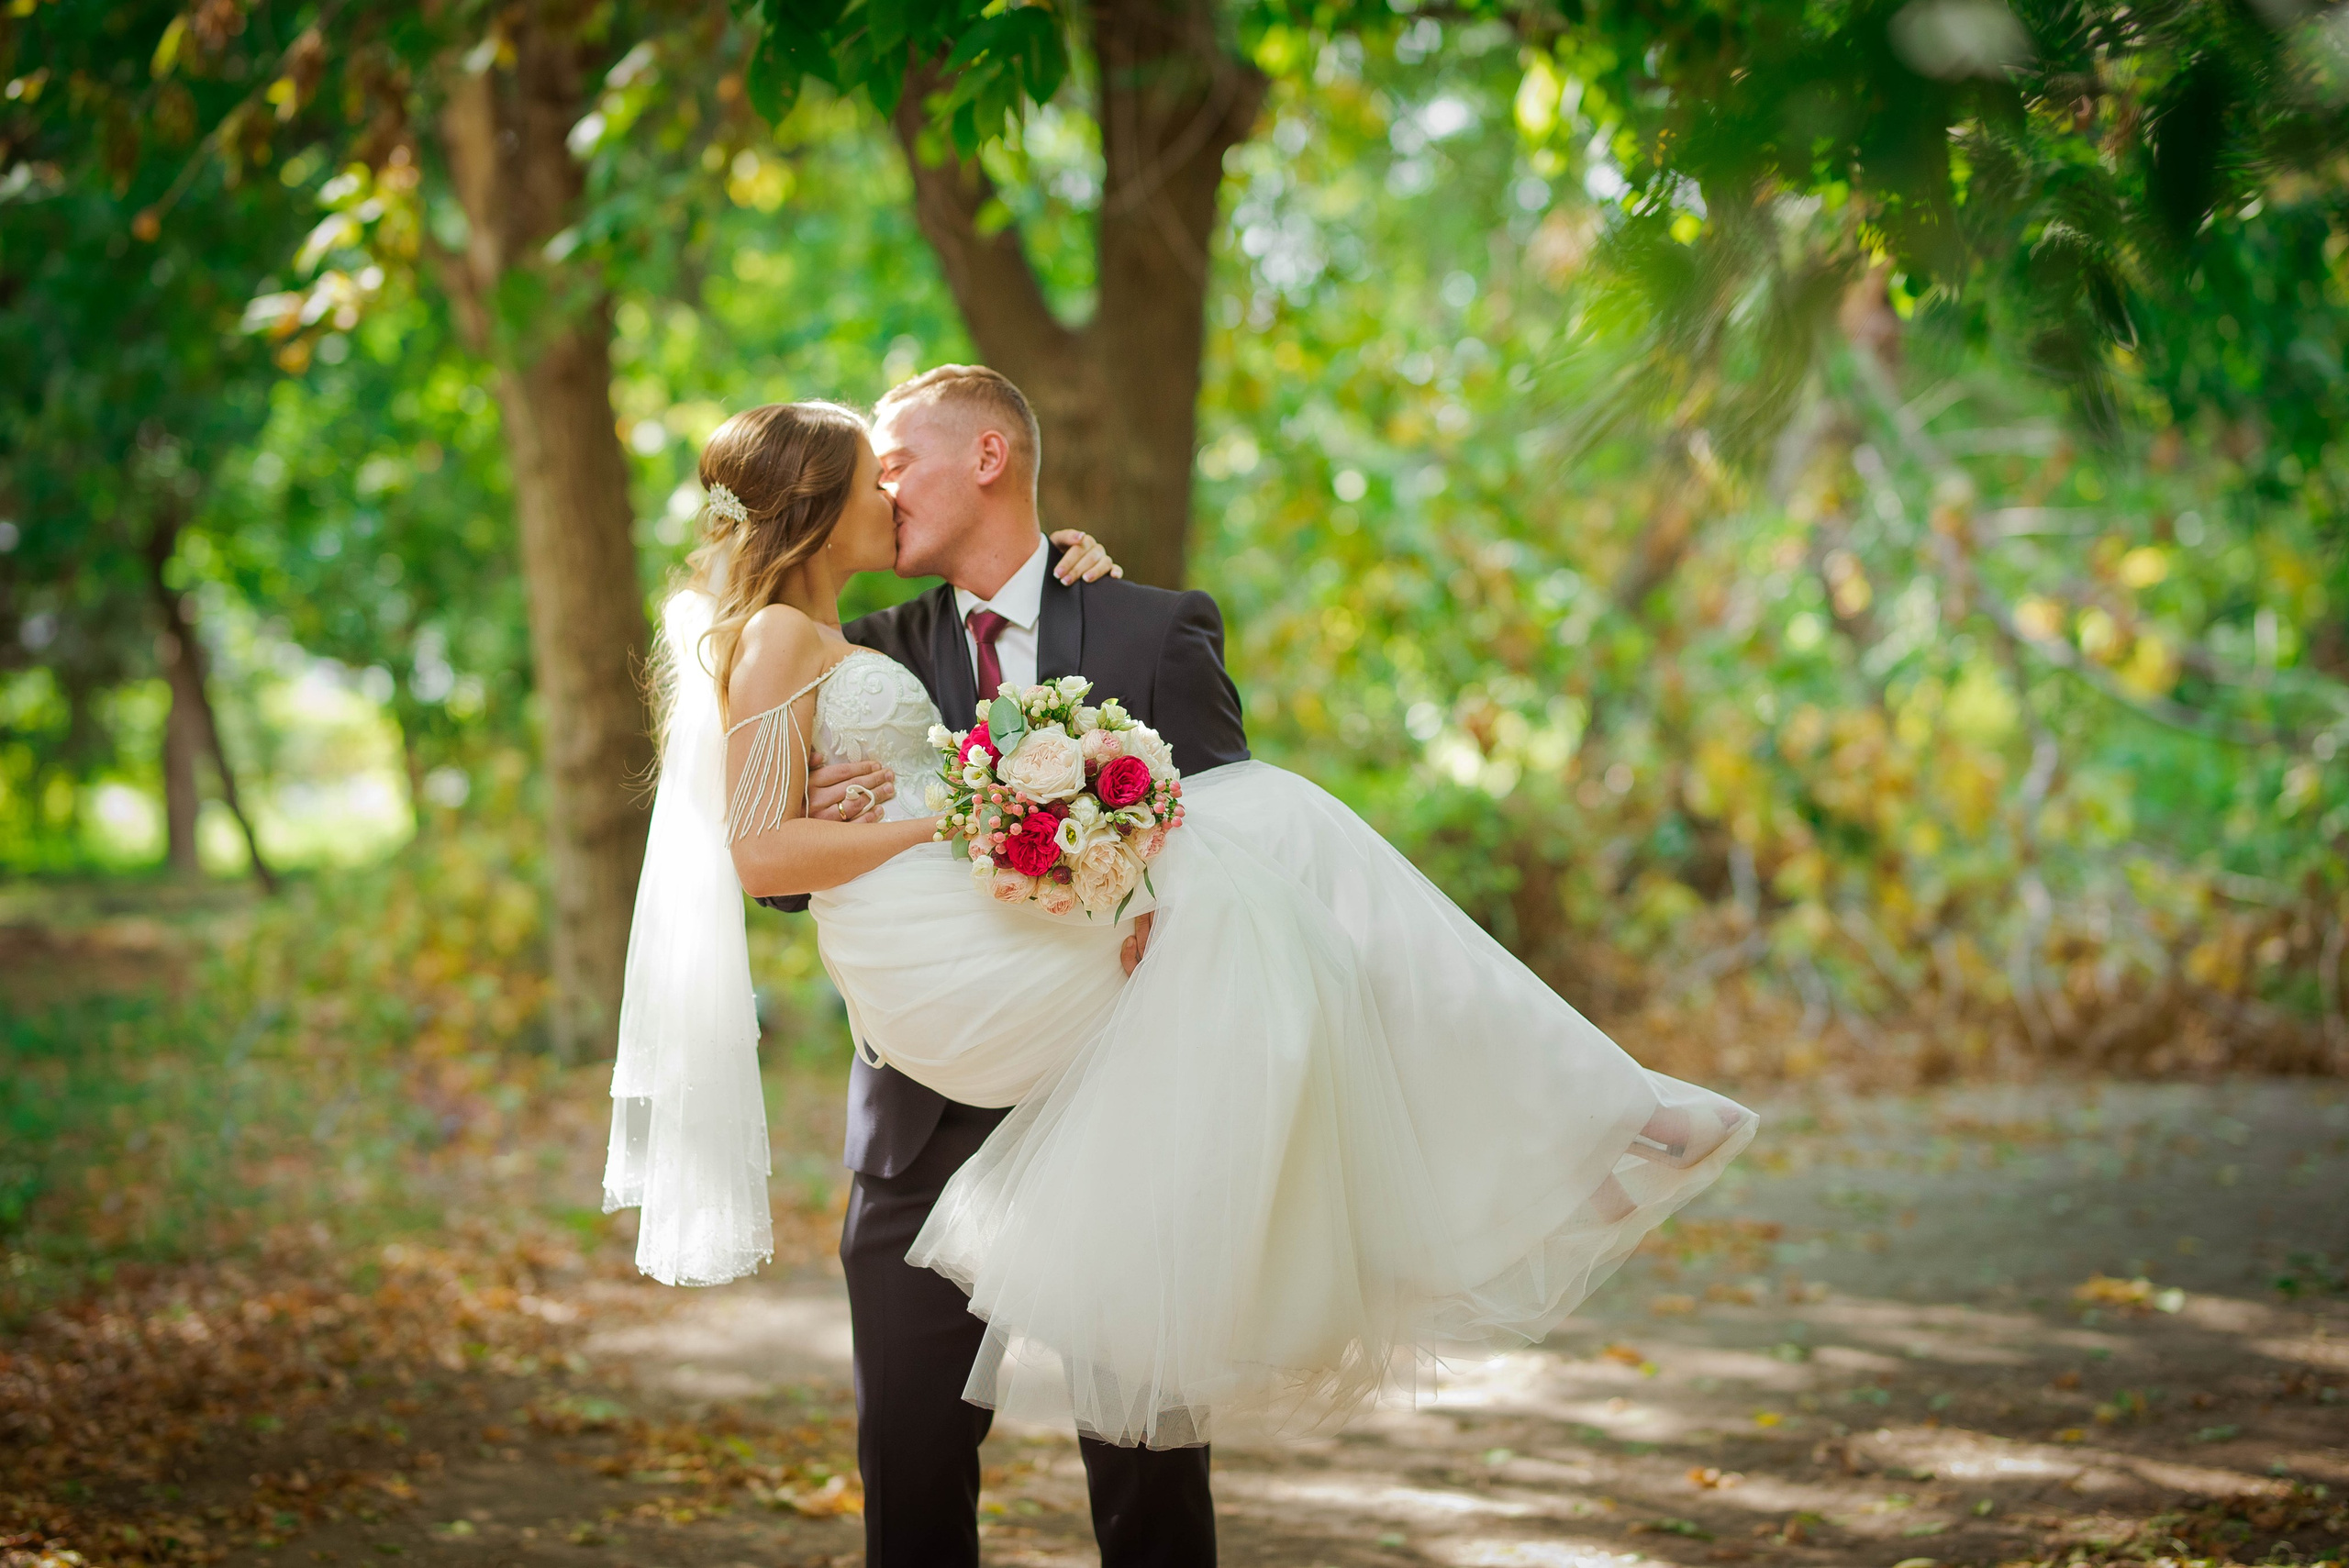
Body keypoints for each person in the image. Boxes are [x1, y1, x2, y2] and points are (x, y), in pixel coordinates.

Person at [606, 373, 1756, 1568]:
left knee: (1149, 1471)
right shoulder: (867, 638)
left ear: (989, 457)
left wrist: (1144, 898)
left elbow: (1225, 842)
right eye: (870, 471)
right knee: (910, 1456)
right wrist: (866, 812)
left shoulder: (1146, 627)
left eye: (899, 462)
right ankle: (1593, 1119)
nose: (885, 490)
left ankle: (1558, 1132)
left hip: (1133, 1080)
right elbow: (775, 859)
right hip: (931, 1098)